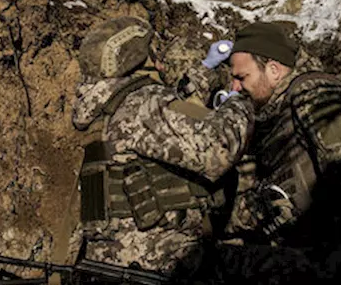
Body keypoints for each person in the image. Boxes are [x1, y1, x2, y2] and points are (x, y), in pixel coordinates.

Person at [70, 17, 251, 277]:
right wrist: (238, 100)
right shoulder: (143, 104)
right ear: (136, 59)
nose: (159, 61)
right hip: (162, 261)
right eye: (152, 53)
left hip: (111, 260)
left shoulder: (103, 110)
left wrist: (206, 68)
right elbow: (219, 150)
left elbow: (172, 110)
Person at [221, 21, 341, 281]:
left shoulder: (315, 95)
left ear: (273, 70)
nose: (234, 88)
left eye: (241, 77)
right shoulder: (278, 110)